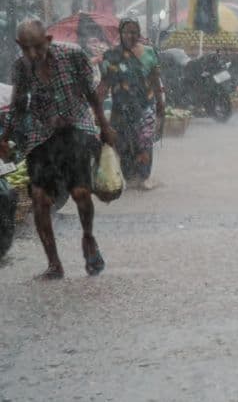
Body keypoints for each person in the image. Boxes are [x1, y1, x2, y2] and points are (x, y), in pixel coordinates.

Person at [0, 19, 118, 279]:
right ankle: (54, 264)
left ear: (49, 41)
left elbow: (91, 93)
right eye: (26, 49)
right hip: (41, 135)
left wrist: (104, 124)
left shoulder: (73, 55)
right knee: (40, 200)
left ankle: (88, 238)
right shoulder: (21, 67)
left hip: (75, 127)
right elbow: (19, 104)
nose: (33, 55)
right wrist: (5, 138)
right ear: (19, 46)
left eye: (38, 48)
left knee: (80, 193)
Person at [97, 19, 165, 191]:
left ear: (139, 33)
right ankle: (130, 178)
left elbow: (155, 81)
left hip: (145, 107)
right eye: (126, 32)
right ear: (120, 33)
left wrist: (160, 106)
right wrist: (96, 108)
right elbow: (104, 85)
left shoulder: (149, 53)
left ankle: (142, 178)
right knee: (123, 144)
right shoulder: (112, 56)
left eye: (134, 32)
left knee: (144, 143)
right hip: (121, 108)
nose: (130, 35)